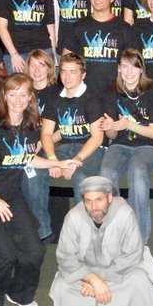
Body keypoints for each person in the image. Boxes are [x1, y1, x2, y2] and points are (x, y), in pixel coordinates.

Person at [0, 73, 79, 306]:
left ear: (30, 98)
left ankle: (19, 293)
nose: (17, 100)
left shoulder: (31, 126)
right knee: (4, 253)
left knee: (35, 250)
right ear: (4, 96)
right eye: (12, 94)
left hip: (10, 196)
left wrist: (59, 162)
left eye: (23, 94)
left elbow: (27, 158)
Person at [50, 176, 153, 306]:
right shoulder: (73, 217)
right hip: (83, 274)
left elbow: (132, 254)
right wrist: (91, 278)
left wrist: (101, 277)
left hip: (118, 272)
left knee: (138, 279)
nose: (93, 207)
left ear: (109, 197)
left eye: (99, 200)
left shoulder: (124, 214)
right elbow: (65, 257)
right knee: (63, 286)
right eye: (88, 201)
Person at [98, 49, 153, 245]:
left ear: (141, 69)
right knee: (106, 174)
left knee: (137, 169)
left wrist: (129, 124)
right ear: (119, 69)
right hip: (120, 145)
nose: (129, 72)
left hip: (150, 146)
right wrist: (109, 128)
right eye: (124, 67)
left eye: (134, 67)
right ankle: (116, 230)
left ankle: (138, 238)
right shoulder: (111, 92)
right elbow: (112, 135)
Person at [41, 53, 105, 204]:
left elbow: (97, 137)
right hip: (63, 147)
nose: (67, 77)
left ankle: (82, 219)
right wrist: (52, 160)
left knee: (80, 176)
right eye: (63, 71)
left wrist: (76, 160)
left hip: (89, 149)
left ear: (83, 75)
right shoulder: (53, 98)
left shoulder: (92, 98)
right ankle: (40, 220)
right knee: (34, 172)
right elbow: (46, 133)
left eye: (72, 72)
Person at [63, 0, 129, 93]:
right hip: (85, 93)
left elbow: (132, 64)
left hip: (116, 93)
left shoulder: (124, 28)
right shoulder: (78, 26)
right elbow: (66, 59)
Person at [23, 50, 60, 241]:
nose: (36, 70)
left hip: (53, 143)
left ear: (49, 69)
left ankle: (42, 230)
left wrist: (42, 143)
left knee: (33, 175)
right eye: (33, 65)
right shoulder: (22, 91)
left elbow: (66, 128)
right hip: (26, 145)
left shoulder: (58, 92)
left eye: (41, 65)